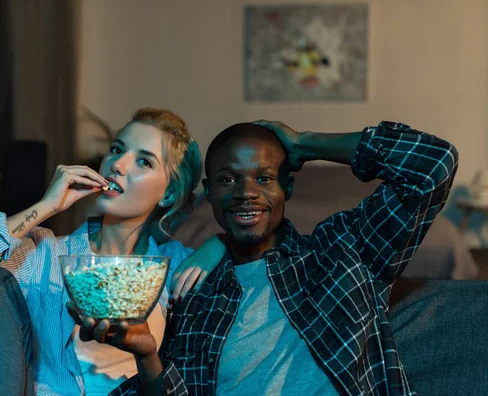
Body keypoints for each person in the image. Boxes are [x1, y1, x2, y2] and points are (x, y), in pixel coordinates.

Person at [79, 120, 458, 395]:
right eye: (228, 180)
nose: (246, 193)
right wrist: (147, 357)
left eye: (263, 178)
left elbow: (432, 165)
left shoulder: (343, 251)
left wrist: (305, 144)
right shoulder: (193, 290)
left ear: (287, 187)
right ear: (209, 193)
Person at [0, 108, 224, 395]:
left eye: (144, 161)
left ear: (169, 193)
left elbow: (267, 247)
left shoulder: (177, 265)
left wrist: (223, 243)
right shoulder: (45, 254)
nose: (117, 164)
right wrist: (46, 206)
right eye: (117, 150)